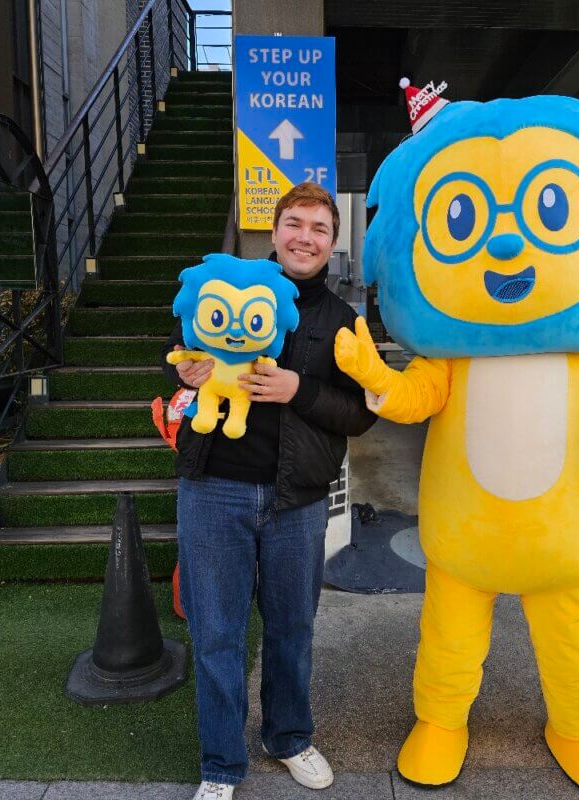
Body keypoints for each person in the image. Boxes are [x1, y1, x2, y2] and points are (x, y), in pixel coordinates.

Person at [162, 183, 377, 800]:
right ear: (275, 230)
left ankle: (287, 737)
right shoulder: (229, 284)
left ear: (332, 244)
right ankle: (221, 763)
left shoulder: (343, 321)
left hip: (297, 501)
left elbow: (363, 412)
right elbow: (177, 344)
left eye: (318, 228)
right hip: (213, 492)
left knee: (291, 629)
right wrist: (182, 367)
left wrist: (298, 392)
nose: (304, 237)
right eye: (294, 223)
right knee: (216, 631)